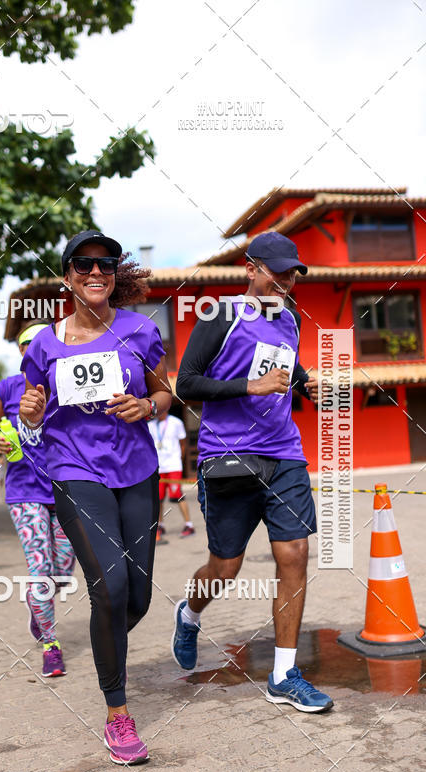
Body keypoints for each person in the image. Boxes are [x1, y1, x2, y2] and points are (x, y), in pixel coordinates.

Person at [19, 230, 172, 764]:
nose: (95, 271)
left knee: (137, 597)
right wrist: (32, 414)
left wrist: (148, 408)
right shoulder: (44, 344)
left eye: (105, 263)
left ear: (114, 273)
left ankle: (106, 635)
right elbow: (31, 409)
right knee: (108, 586)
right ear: (68, 277)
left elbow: (165, 392)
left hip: (136, 472)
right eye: (83, 264)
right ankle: (118, 714)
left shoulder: (140, 330)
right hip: (74, 471)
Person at [175, 232, 333, 713]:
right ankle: (190, 612)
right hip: (228, 457)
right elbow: (186, 384)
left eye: (292, 273)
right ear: (251, 268)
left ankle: (284, 673)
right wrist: (252, 385)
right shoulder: (219, 316)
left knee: (295, 552)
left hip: (283, 452)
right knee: (225, 567)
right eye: (277, 271)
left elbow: (289, 364)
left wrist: (306, 386)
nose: (285, 281)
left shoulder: (288, 319)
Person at [0, 323, 76, 677]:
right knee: (40, 571)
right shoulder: (5, 389)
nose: (35, 349)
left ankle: (36, 605)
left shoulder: (68, 383)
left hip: (67, 489)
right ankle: (51, 645)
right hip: (25, 493)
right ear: (21, 351)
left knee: (62, 574)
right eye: (28, 345)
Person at [147, 410, 194, 540]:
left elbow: (183, 443)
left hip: (173, 465)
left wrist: (179, 459)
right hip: (159, 466)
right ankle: (160, 525)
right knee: (159, 497)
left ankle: (189, 525)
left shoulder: (176, 422)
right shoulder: (151, 425)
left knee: (177, 495)